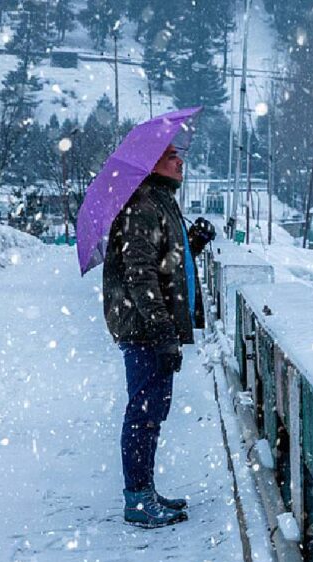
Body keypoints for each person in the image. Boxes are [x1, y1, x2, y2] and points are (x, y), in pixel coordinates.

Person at [102, 144, 216, 528]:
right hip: (144, 328)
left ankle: (145, 492)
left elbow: (164, 264)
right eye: (170, 156)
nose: (180, 161)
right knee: (144, 414)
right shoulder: (143, 206)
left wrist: (193, 242)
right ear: (150, 163)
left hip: (150, 327)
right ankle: (137, 499)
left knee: (152, 412)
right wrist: (163, 331)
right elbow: (141, 275)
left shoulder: (160, 201)